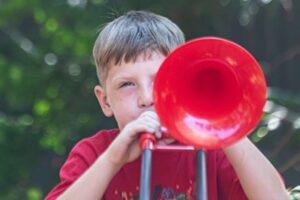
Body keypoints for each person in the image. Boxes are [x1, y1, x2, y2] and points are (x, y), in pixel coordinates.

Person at [45, 10, 288, 200]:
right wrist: (112, 160)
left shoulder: (213, 150)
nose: (146, 98)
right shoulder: (94, 153)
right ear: (105, 101)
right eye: (127, 84)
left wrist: (221, 123)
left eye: (159, 80)